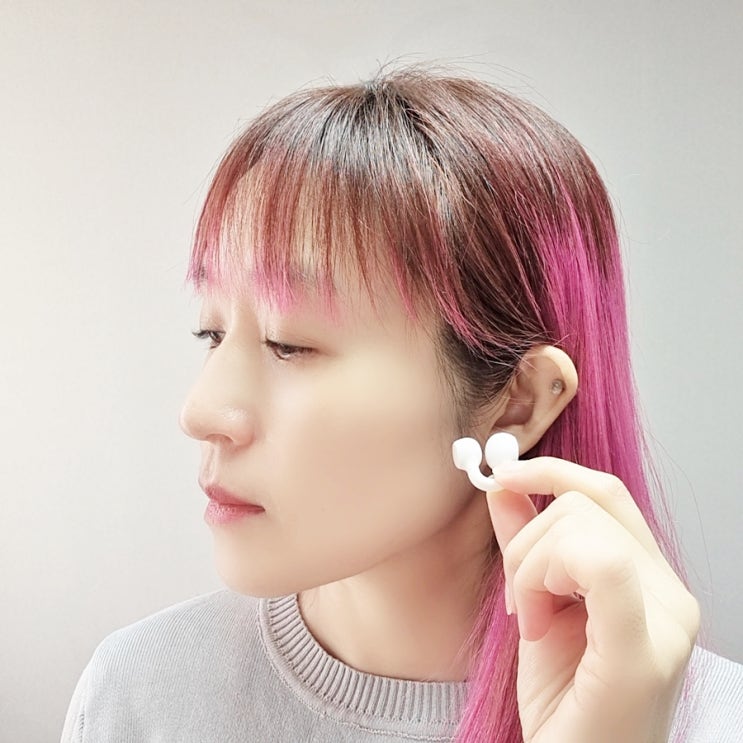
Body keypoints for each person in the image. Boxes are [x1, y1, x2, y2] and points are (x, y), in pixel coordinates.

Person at [61, 68, 743, 742]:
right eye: (211, 333)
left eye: (289, 343)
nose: (201, 411)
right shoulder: (140, 695)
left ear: (518, 401)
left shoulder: (713, 721)